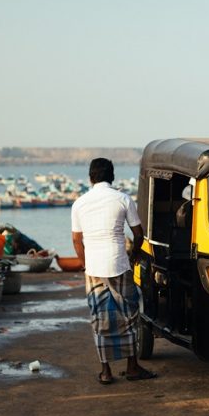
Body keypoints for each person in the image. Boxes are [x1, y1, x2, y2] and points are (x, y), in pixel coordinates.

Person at [71, 158, 156, 385]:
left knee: (100, 317)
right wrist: (135, 254)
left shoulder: (79, 203)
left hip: (94, 268)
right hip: (118, 263)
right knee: (128, 315)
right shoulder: (122, 199)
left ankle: (106, 371)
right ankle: (132, 367)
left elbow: (76, 240)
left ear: (90, 178)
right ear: (113, 177)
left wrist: (84, 263)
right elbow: (138, 234)